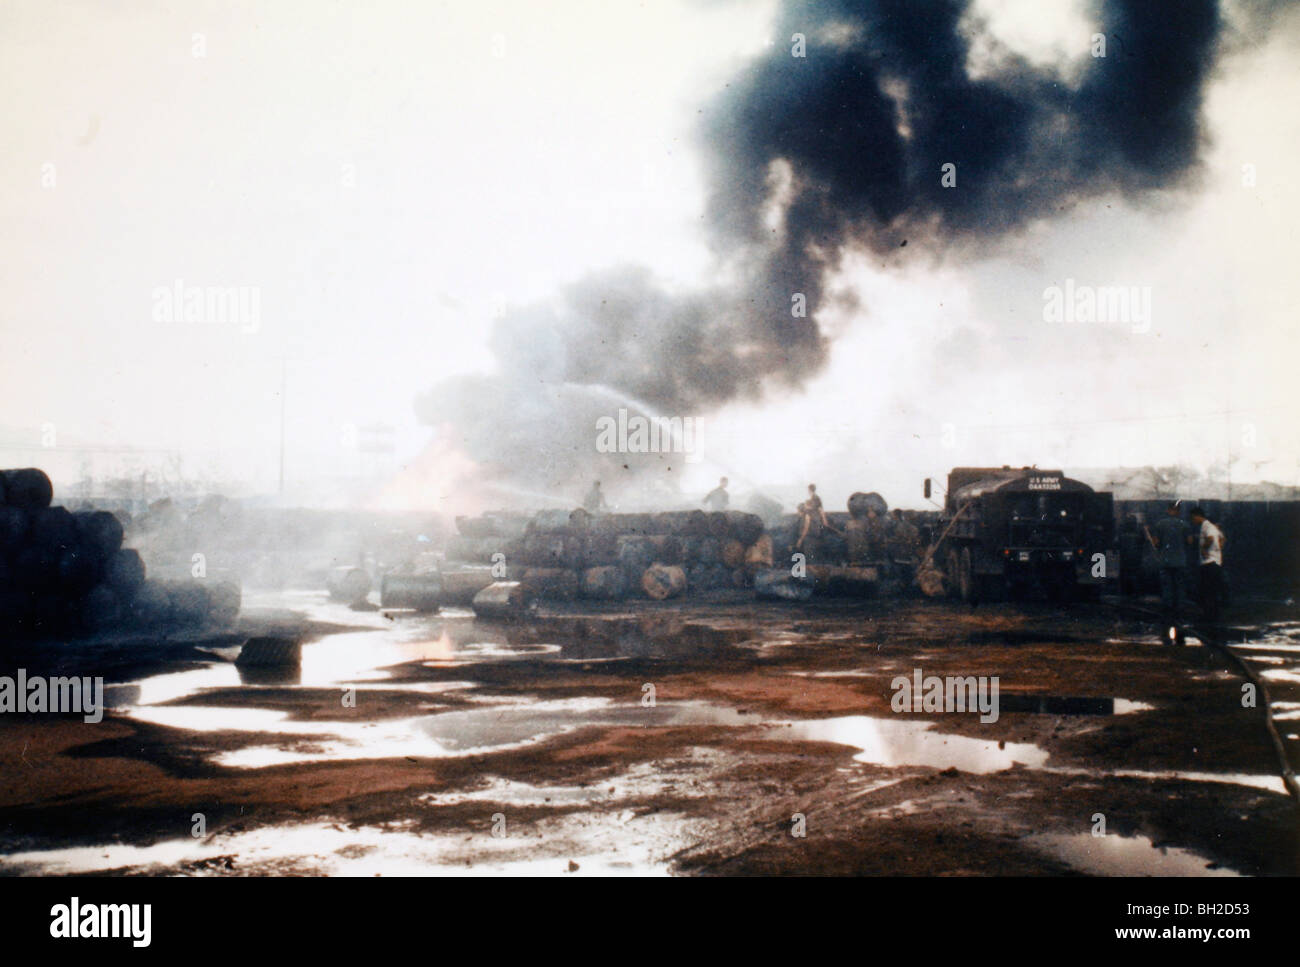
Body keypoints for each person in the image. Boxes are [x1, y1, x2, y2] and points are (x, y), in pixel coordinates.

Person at [1150, 500, 1192, 643]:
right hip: (1180, 561)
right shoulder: (1185, 525)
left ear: (1168, 510)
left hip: (1165, 561)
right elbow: (1190, 541)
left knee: (1167, 587)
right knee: (1180, 587)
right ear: (1179, 511)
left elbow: (1155, 542)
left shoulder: (1160, 524)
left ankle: (1167, 614)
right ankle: (1179, 613)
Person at [1189, 506, 1226, 624]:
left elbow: (1210, 538)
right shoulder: (1212, 527)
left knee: (1207, 591)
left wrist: (1204, 549)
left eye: (1192, 518)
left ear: (1197, 516)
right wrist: (1218, 549)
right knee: (1212, 590)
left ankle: (1209, 617)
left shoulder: (1206, 526)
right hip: (1215, 562)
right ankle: (1213, 615)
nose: (1192, 521)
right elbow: (1223, 538)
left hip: (1209, 563)